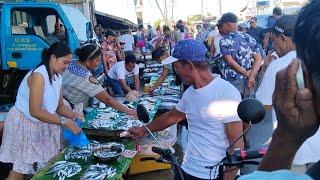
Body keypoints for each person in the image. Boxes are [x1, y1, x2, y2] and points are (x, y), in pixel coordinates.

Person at [128, 39, 244, 179]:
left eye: (176, 67)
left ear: (189, 66)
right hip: (188, 168)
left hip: (213, 173)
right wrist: (143, 130)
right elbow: (173, 116)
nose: (176, 71)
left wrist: (229, 176)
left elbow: (237, 143)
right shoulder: (190, 93)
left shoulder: (226, 93)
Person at [240, 1, 320, 179]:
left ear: (283, 38)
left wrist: (284, 136)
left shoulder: (279, 67)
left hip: (294, 154)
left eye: (274, 40)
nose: (273, 45)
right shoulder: (305, 60)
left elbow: (262, 107)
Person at [0, 42, 82, 179]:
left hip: (42, 124)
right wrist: (64, 122)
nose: (67, 66)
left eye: (69, 63)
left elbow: (59, 106)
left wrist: (74, 115)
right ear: (53, 58)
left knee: (42, 168)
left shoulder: (58, 77)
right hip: (24, 124)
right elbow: (35, 111)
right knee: (19, 171)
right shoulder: (39, 76)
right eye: (65, 62)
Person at [219, 13, 262, 148]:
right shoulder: (248, 37)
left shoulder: (224, 40)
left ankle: (237, 141)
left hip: (233, 82)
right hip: (249, 80)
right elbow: (258, 59)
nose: (222, 29)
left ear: (227, 24)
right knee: (247, 110)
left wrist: (245, 73)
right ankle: (245, 138)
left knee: (234, 111)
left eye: (222, 26)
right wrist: (251, 76)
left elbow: (230, 62)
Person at [62, 44, 136, 117]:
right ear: (88, 60)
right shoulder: (87, 79)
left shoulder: (70, 63)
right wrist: (129, 111)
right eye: (97, 61)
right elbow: (107, 100)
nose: (98, 64)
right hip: (64, 109)